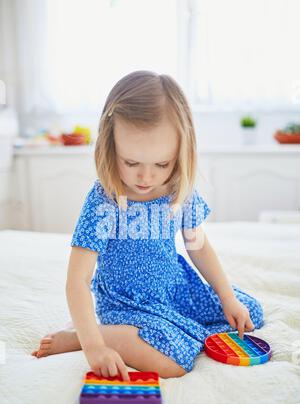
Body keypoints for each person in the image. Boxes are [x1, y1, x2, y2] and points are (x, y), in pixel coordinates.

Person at [32, 70, 264, 380]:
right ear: (110, 148)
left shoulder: (177, 187)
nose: (146, 178)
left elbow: (198, 245)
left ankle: (117, 331)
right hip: (126, 304)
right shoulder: (105, 202)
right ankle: (87, 334)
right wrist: (93, 346)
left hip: (174, 289)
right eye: (131, 163)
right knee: (176, 363)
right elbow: (77, 280)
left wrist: (227, 297)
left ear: (179, 154)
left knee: (250, 314)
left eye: (161, 164)